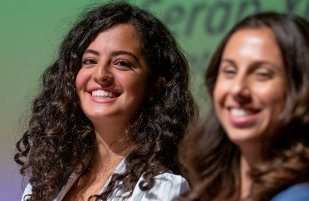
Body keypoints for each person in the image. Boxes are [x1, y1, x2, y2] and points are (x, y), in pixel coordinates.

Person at [14, 2, 197, 201]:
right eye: (90, 61)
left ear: (154, 86)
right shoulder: (47, 182)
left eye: (122, 63)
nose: (101, 74)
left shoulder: (161, 188)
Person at [177, 12, 309, 201]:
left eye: (262, 74)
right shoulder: (205, 192)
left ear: (303, 90)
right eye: (229, 71)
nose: (237, 89)